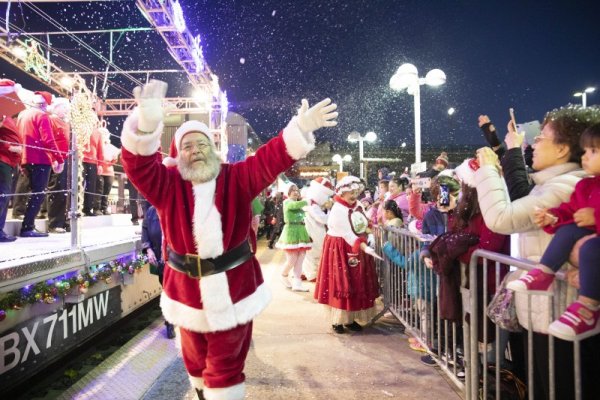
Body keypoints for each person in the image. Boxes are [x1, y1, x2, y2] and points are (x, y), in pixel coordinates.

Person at [121, 80, 337, 400]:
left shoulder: (237, 177)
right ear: (178, 154)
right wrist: (147, 126)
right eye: (188, 146)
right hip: (187, 291)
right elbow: (138, 166)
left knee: (224, 368)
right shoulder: (167, 184)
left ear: (213, 148)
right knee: (194, 363)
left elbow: (270, 159)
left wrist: (299, 128)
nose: (196, 151)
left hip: (234, 290)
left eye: (202, 144)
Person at [474, 105, 600, 400]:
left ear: (561, 150)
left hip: (562, 315)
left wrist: (489, 169)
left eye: (542, 137)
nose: (534, 143)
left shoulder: (567, 185)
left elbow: (502, 217)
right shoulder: (555, 185)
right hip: (547, 313)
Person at [508, 123, 600, 341]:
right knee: (567, 231)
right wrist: (553, 217)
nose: (585, 156)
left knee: (590, 248)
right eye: (585, 150)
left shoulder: (567, 182)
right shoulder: (585, 186)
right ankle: (544, 273)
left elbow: (503, 217)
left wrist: (595, 217)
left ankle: (588, 308)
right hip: (581, 244)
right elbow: (569, 211)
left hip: (591, 249)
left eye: (593, 151)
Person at [314, 175, 381, 334]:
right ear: (342, 192)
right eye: (351, 192)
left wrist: (369, 231)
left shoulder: (357, 204)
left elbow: (363, 222)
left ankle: (350, 319)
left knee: (355, 281)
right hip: (340, 247)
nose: (354, 195)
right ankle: (337, 320)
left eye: (356, 192)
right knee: (341, 282)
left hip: (357, 245)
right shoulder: (338, 209)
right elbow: (347, 233)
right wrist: (364, 245)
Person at [17, 91, 64, 237]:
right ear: (45, 104)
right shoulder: (42, 116)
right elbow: (48, 140)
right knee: (38, 193)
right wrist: (59, 158)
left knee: (31, 191)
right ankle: (27, 227)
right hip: (40, 159)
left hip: (25, 157)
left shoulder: (22, 114)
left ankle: (26, 222)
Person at [142, 205, 175, 339]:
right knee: (166, 290)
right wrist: (148, 250)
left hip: (176, 261)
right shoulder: (151, 211)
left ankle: (174, 321)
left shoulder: (176, 207)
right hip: (160, 261)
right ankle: (170, 321)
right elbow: (145, 231)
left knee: (174, 290)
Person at [276, 184, 312, 292]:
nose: (296, 192)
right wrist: (308, 201)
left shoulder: (298, 204)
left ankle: (297, 284)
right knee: (292, 259)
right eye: (293, 190)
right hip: (291, 231)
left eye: (297, 190)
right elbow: (293, 206)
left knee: (300, 259)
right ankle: (283, 275)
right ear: (288, 192)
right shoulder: (287, 202)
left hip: (301, 231)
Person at [301, 177, 334, 282]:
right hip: (313, 231)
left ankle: (305, 272)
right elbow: (322, 219)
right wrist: (329, 211)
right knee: (314, 252)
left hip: (312, 229)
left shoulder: (310, 202)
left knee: (309, 253)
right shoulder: (311, 204)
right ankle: (312, 274)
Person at [46, 97, 71, 233]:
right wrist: (54, 158)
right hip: (57, 158)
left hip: (66, 158)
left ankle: (63, 220)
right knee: (57, 188)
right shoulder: (51, 120)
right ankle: (54, 222)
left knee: (65, 191)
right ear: (56, 107)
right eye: (64, 107)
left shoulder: (65, 122)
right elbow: (49, 140)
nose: (66, 110)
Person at [0, 112, 22, 242]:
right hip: (4, 161)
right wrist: (10, 147)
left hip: (9, 162)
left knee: (5, 196)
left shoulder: (7, 119)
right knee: (3, 195)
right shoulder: (5, 120)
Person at [81, 124, 104, 216]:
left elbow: (100, 149)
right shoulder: (80, 127)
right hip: (80, 159)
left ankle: (87, 209)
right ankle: (77, 207)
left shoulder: (97, 133)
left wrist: (100, 164)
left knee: (91, 186)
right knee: (79, 184)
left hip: (93, 162)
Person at [96, 127, 120, 215]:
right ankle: (97, 208)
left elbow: (115, 160)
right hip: (100, 170)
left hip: (109, 171)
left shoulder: (111, 147)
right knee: (99, 190)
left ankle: (104, 208)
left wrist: (114, 159)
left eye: (106, 134)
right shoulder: (98, 145)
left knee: (106, 191)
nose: (104, 135)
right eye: (103, 134)